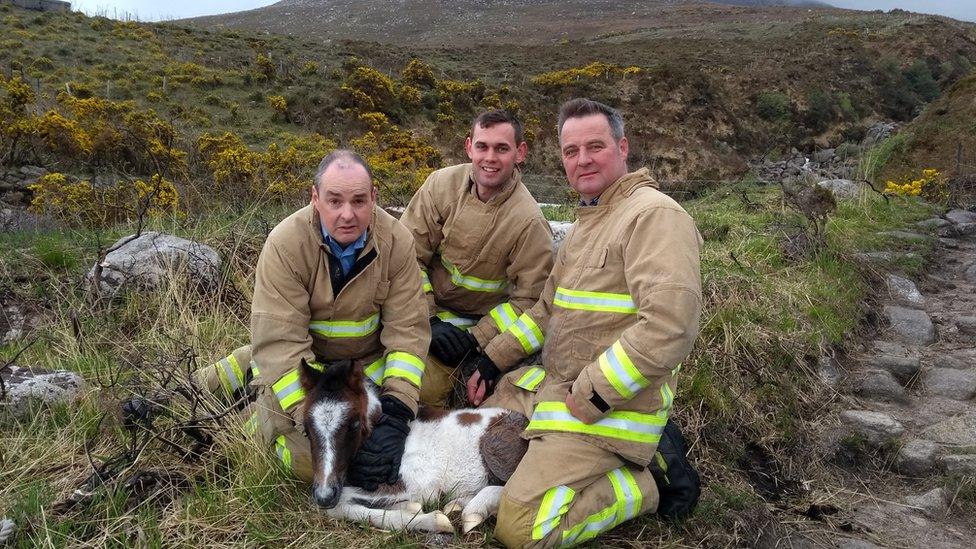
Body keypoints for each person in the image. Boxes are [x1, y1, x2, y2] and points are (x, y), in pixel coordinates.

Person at [465, 99, 703, 547]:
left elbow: (670, 326)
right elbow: (545, 312)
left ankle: (646, 485)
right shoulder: (585, 224)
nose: (583, 159)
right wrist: (492, 360)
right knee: (480, 404)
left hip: (606, 410)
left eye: (595, 146)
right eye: (571, 151)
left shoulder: (654, 216)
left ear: (623, 147)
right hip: (561, 390)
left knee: (521, 530)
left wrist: (595, 392)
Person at [200, 150, 430, 490]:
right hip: (302, 370)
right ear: (315, 198)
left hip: (361, 369)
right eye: (334, 201)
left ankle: (252, 370)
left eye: (359, 201)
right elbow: (282, 342)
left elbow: (407, 333)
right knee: (309, 464)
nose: (347, 214)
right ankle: (221, 401)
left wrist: (394, 416)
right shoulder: (285, 244)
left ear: (374, 198)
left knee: (352, 452)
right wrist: (312, 420)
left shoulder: (397, 242)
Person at [399, 109, 554, 407]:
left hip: (469, 327)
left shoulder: (529, 222)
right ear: (469, 146)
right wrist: (427, 318)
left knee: (423, 390)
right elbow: (406, 257)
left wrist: (476, 339)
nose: (490, 158)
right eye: (482, 146)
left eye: (502, 148)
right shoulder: (440, 186)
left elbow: (529, 300)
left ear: (520, 153)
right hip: (420, 312)